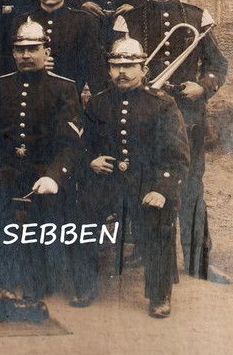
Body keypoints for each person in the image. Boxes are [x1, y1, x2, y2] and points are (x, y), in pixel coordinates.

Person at [113, 0, 228, 279]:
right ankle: (146, 253)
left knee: (191, 187)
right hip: (143, 117)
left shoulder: (196, 17)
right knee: (142, 184)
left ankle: (198, 264)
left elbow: (219, 65)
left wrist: (203, 87)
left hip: (187, 116)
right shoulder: (129, 19)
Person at [81, 37, 189, 318]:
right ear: (108, 69)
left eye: (129, 65)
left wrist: (162, 189)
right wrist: (90, 160)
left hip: (148, 182)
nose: (122, 72)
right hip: (107, 180)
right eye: (115, 65)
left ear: (143, 69)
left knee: (158, 218)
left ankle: (159, 294)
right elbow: (82, 145)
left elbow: (177, 156)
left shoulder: (162, 104)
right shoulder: (97, 103)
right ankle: (84, 284)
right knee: (81, 211)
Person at [0, 20, 82, 304]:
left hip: (44, 174)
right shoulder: (0, 87)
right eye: (20, 49)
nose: (26, 55)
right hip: (7, 171)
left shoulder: (63, 88)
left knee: (41, 225)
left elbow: (70, 144)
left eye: (33, 49)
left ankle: (38, 281)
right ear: (12, 53)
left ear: (46, 51)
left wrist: (54, 176)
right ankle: (1, 278)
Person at [16, 0, 107, 96]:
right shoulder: (20, 22)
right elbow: (6, 66)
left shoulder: (84, 22)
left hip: (68, 100)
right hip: (27, 97)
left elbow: (95, 69)